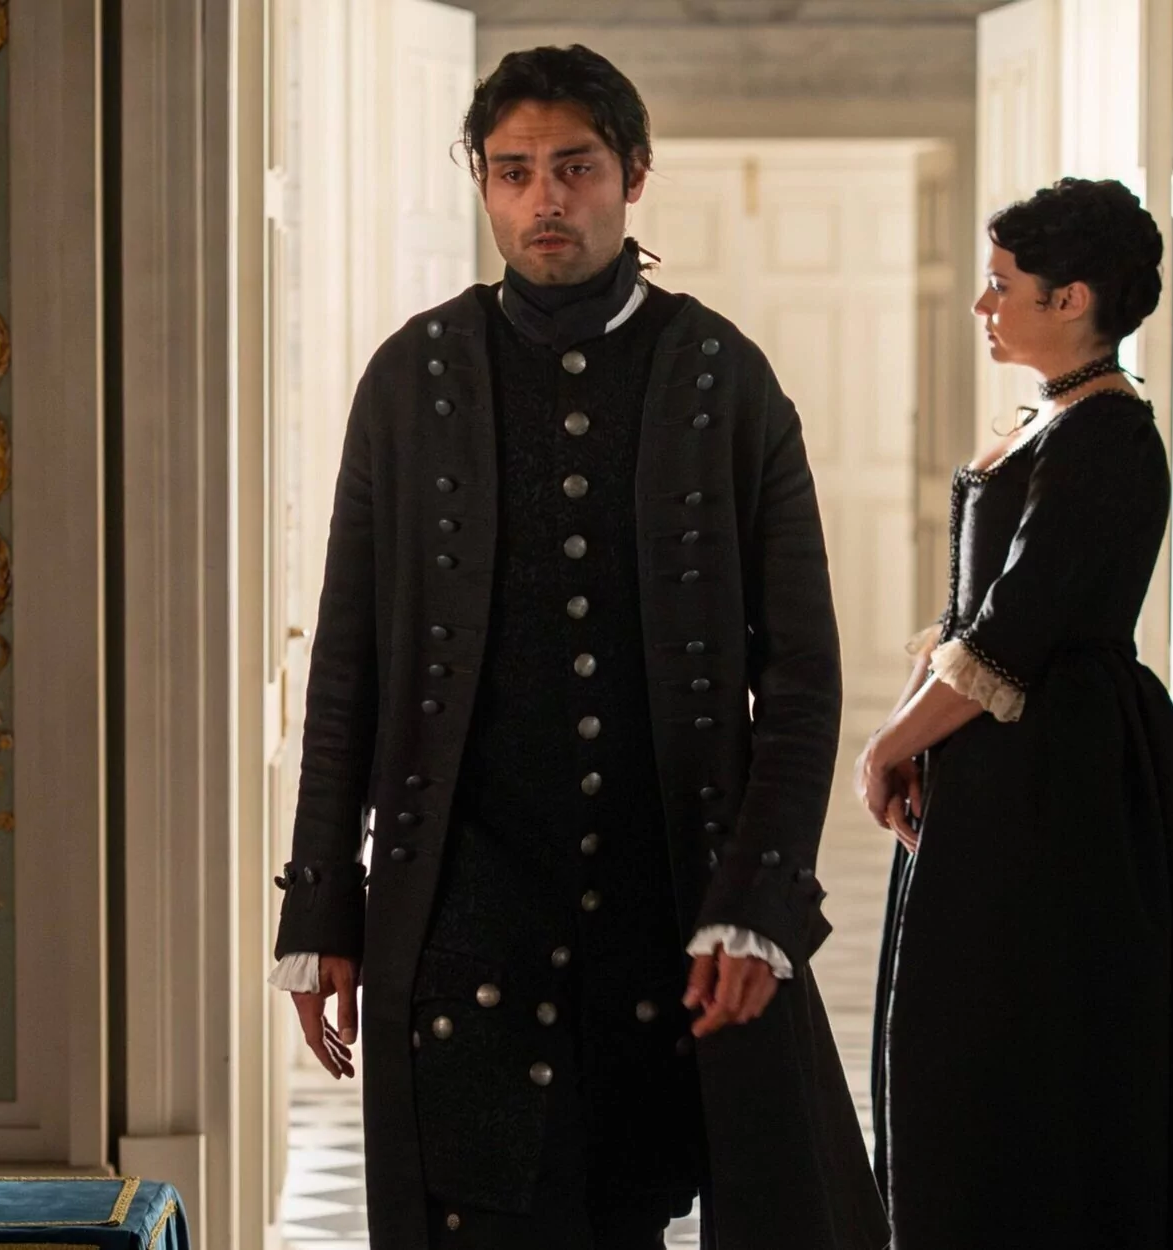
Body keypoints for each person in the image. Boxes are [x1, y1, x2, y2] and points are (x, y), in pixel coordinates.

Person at [267, 44, 888, 1250]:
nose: (543, 198)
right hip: (461, 900)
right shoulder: (410, 378)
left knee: (628, 1211)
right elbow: (348, 664)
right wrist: (320, 898)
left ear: (632, 174)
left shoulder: (721, 377)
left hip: (664, 899)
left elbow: (802, 673)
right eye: (512, 172)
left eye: (574, 167)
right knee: (473, 1213)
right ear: (483, 185)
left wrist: (758, 899)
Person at [856, 177, 1173, 1248]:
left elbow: (1014, 627)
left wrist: (885, 747)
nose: (982, 305)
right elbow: (968, 617)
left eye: (1001, 285)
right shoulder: (1052, 418)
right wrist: (908, 731)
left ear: (1072, 297)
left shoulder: (1107, 435)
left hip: (1061, 775)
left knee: (1032, 1032)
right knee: (970, 1022)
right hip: (998, 767)